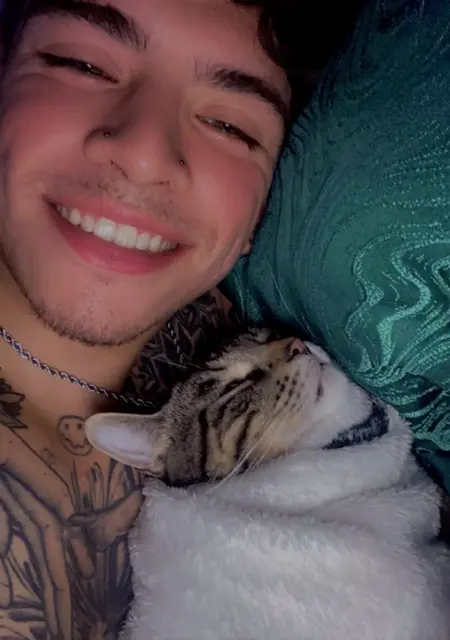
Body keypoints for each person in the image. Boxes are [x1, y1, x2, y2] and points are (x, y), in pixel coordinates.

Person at [0, 0, 366, 637]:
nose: (145, 155)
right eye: (82, 65)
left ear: (257, 219)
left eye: (229, 126)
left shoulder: (245, 318)